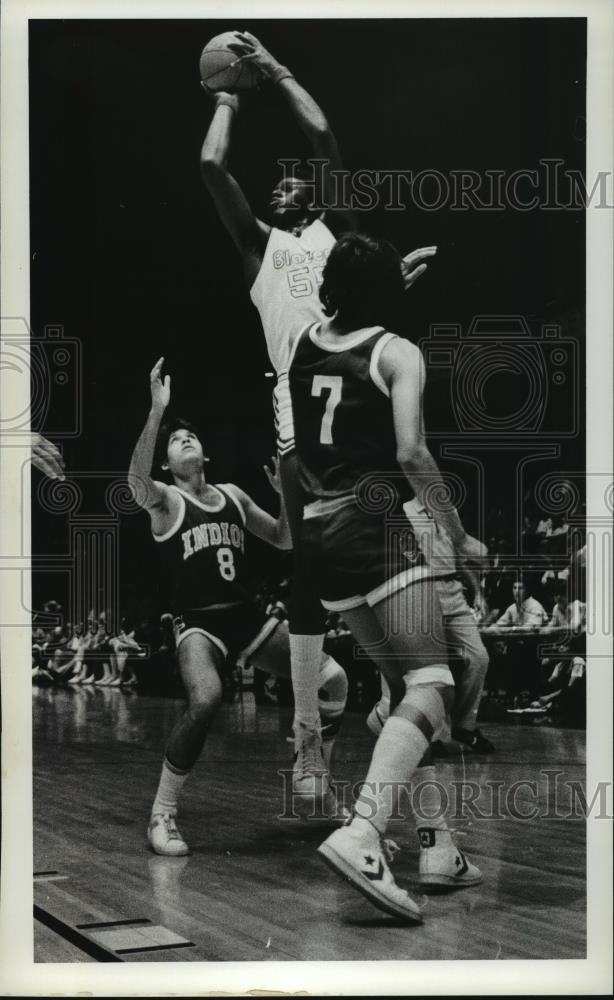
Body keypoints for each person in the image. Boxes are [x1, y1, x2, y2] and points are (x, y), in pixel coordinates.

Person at [199, 30, 434, 808]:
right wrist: (228, 97)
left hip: (357, 382)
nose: (282, 187)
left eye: (295, 184)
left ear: (317, 198)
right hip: (297, 399)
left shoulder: (341, 237)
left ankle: (397, 689)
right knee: (308, 563)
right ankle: (307, 740)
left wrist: (277, 71)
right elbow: (209, 166)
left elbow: (326, 138)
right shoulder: (257, 249)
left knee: (383, 549)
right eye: (277, 186)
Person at [288, 233, 486, 921]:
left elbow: (347, 323)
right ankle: (365, 833)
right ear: (389, 292)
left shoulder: (303, 342)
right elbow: (410, 451)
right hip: (377, 524)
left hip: (319, 535)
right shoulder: (399, 352)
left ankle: (436, 849)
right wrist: (458, 536)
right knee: (436, 682)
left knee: (405, 687)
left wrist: (377, 283)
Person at [128, 358, 348, 856]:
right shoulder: (164, 499)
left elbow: (283, 539)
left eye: (190, 437)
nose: (184, 440)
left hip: (244, 614)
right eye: (174, 441)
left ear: (204, 453)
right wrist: (157, 412)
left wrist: (284, 497)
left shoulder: (232, 495)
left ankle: (316, 775)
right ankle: (162, 813)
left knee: (334, 681)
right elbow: (134, 485)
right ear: (167, 463)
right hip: (198, 621)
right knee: (205, 699)